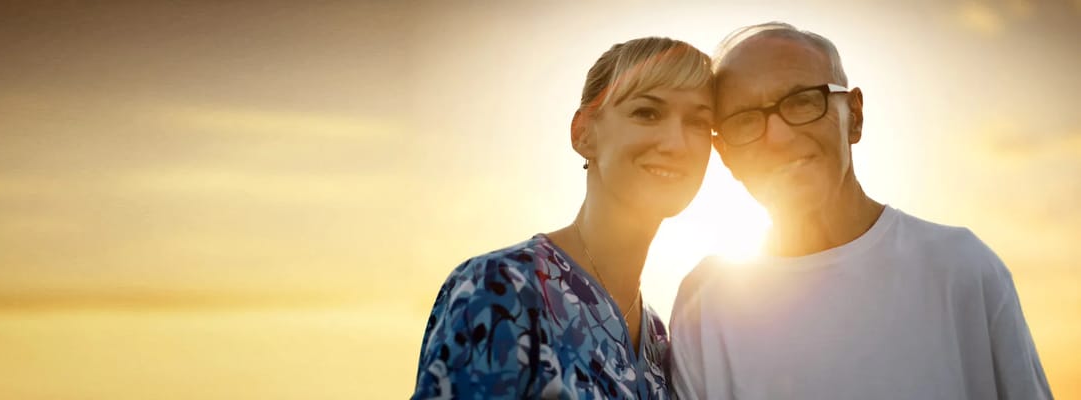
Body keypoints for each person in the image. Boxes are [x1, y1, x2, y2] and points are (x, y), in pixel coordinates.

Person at [669, 22, 1053, 400]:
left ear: (854, 115)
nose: (778, 137)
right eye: (745, 120)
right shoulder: (706, 304)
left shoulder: (961, 268)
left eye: (802, 101)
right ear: (726, 155)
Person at [410, 36, 715, 399]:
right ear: (583, 133)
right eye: (647, 113)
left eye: (698, 122)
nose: (676, 143)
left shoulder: (660, 341)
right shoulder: (501, 289)